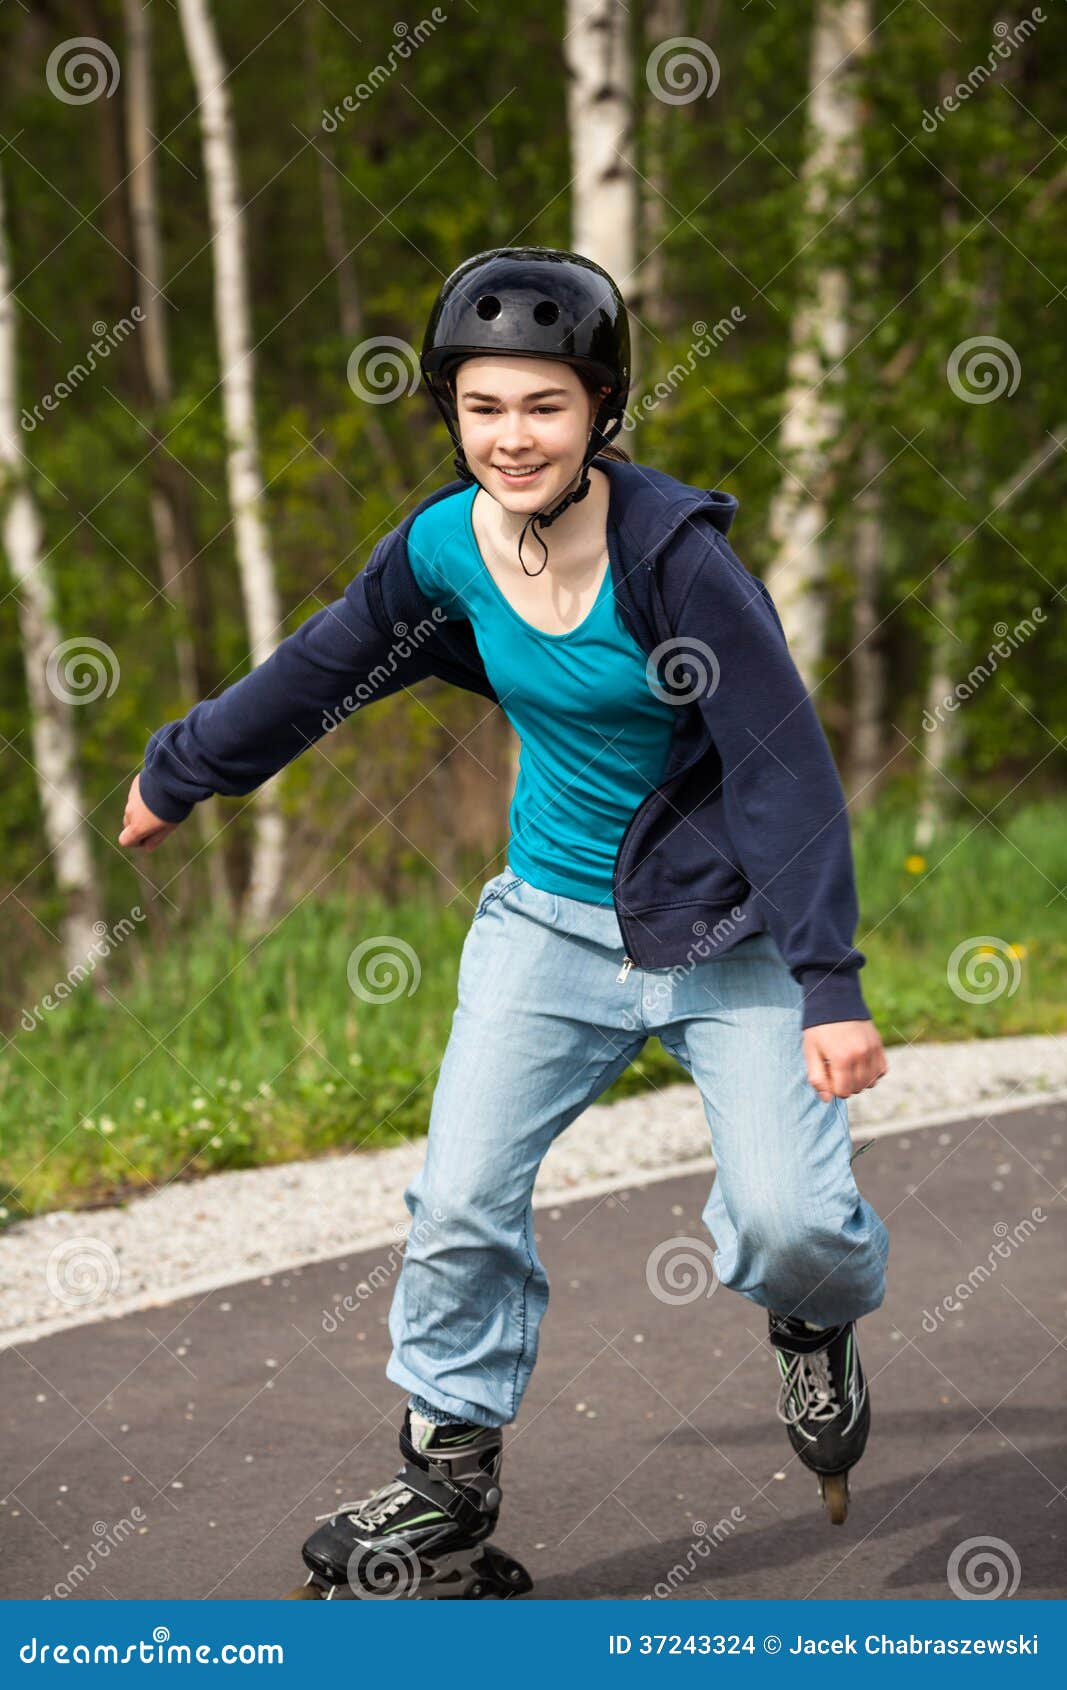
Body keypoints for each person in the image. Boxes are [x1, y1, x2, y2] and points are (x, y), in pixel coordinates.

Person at [120, 247, 889, 1593]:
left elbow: (781, 768)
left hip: (730, 933)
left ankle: (812, 1322)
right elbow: (325, 663)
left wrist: (829, 983)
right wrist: (183, 769)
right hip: (549, 922)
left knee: (793, 1224)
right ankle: (448, 1483)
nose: (512, 436)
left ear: (600, 409)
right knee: (459, 1201)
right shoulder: (444, 548)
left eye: (543, 405)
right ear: (451, 411)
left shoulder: (678, 563)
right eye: (483, 407)